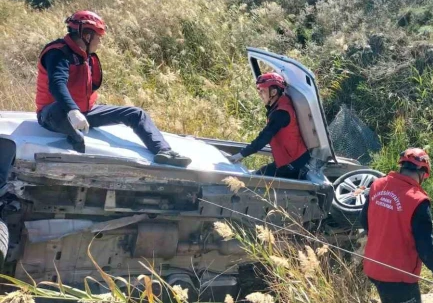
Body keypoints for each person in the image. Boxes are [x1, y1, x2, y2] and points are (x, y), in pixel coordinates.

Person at [36, 11, 191, 167]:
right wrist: (73, 111)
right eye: (98, 38)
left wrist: (78, 112)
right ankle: (75, 138)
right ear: (87, 36)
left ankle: (164, 151)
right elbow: (57, 83)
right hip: (53, 114)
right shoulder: (57, 53)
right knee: (59, 109)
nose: (100, 43)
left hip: (83, 113)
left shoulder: (85, 54)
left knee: (136, 114)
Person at [360, 148, 433, 303]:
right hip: (398, 274)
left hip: (373, 266)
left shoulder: (377, 185)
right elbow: (425, 245)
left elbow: (364, 221)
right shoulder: (418, 201)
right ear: (423, 173)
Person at [228, 72, 310, 179]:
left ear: (274, 92)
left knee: (257, 180)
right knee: (260, 174)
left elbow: (264, 137)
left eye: (263, 91)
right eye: (259, 91)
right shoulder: (280, 104)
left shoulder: (281, 113)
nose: (260, 95)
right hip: (292, 159)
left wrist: (241, 154)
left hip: (294, 162)